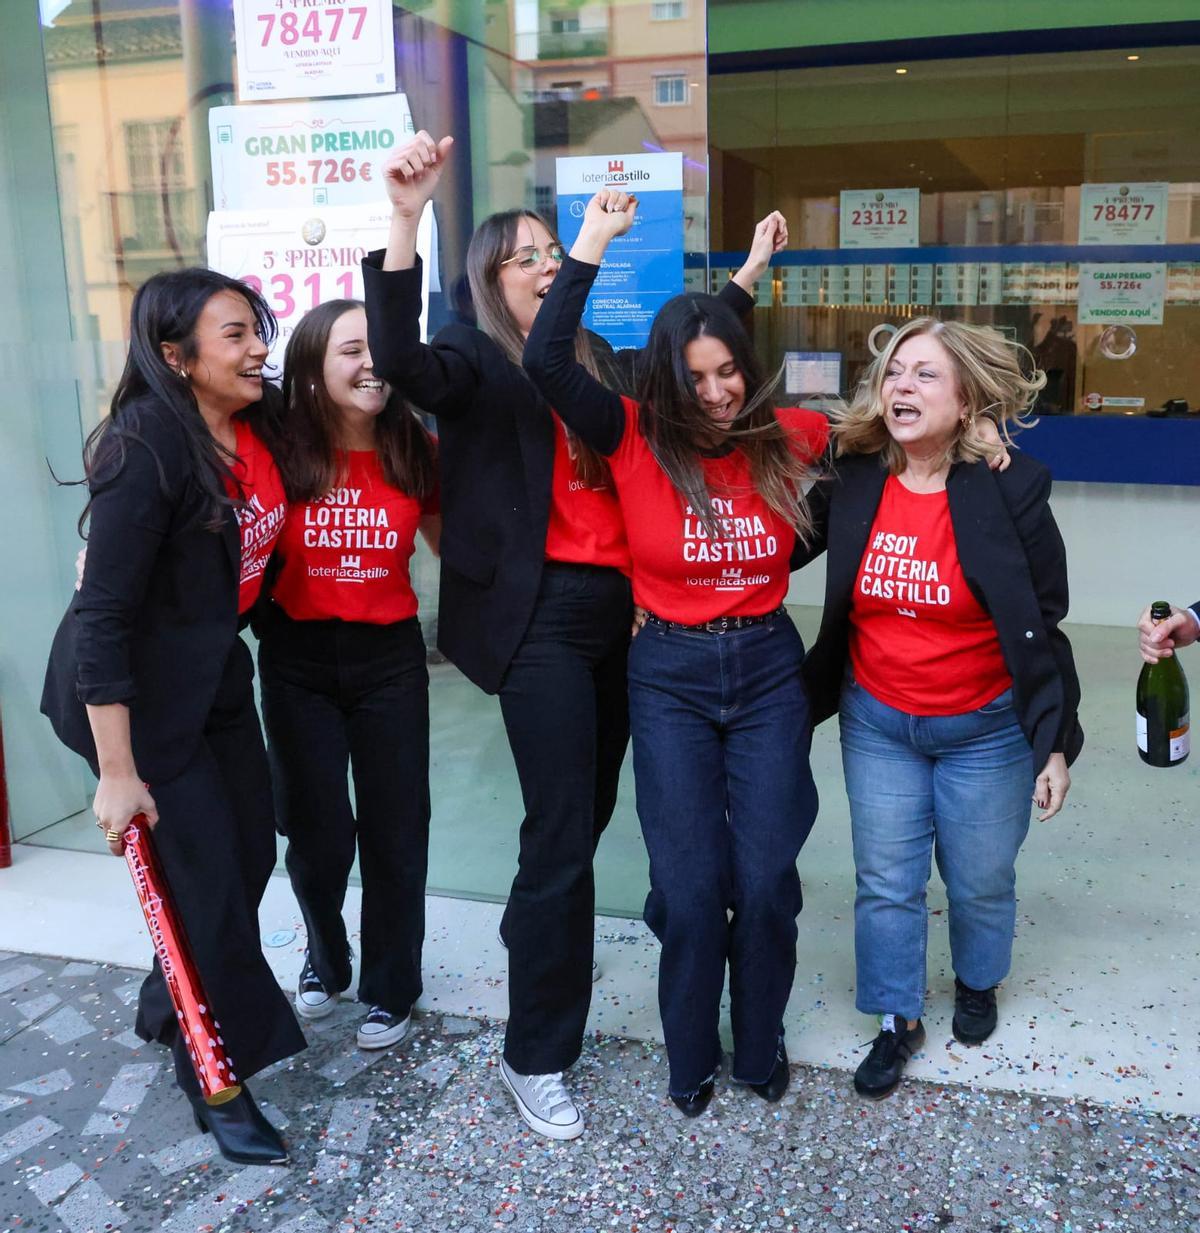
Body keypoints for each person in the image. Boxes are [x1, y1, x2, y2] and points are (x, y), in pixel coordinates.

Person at [363, 132, 782, 1139]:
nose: (550, 264)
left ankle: (531, 930)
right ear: (488, 279)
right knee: (560, 833)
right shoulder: (471, 358)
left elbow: (694, 369)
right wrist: (404, 217)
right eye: (527, 257)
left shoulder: (597, 362)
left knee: (584, 819)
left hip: (618, 615)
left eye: (557, 252)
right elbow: (398, 360)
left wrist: (750, 278)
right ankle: (536, 1052)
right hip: (536, 618)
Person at [523, 190, 825, 1118]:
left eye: (729, 370)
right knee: (691, 891)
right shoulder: (631, 434)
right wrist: (593, 246)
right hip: (669, 677)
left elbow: (900, 440)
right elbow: (543, 357)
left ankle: (760, 1039)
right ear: (664, 379)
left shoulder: (786, 435)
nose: (717, 391)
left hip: (770, 668)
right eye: (695, 376)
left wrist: (987, 448)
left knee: (767, 879)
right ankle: (691, 1049)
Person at [41, 268, 305, 1164]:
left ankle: (166, 1001)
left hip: (212, 675)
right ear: (175, 356)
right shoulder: (145, 444)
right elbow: (105, 616)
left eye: (257, 329)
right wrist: (119, 773)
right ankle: (217, 1078)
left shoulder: (257, 425)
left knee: (250, 848)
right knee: (206, 884)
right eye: (234, 334)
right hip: (133, 699)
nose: (257, 346)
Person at [800, 316, 1084, 1100]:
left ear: (966, 401)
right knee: (886, 878)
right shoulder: (854, 474)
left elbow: (1044, 618)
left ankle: (978, 979)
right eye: (894, 372)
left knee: (980, 877)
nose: (902, 386)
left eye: (926, 374)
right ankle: (896, 1018)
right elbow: (781, 543)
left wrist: (1052, 739)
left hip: (985, 726)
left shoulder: (1009, 484)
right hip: (879, 718)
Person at [254, 299, 439, 1051]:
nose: (371, 366)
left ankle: (393, 985)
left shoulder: (415, 448)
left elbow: (461, 545)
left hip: (389, 659)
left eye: (379, 350)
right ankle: (326, 958)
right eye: (351, 351)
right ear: (310, 367)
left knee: (398, 828)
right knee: (316, 829)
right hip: (298, 659)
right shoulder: (278, 449)